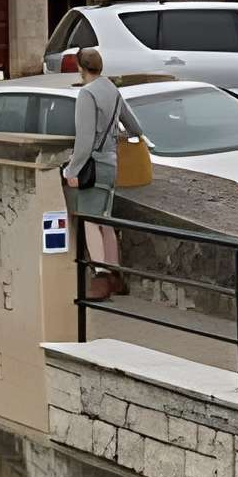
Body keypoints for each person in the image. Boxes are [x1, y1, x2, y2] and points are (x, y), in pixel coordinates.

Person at [67, 47, 133, 299]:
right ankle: (115, 275)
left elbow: (84, 140)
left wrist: (71, 170)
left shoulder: (87, 94)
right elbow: (134, 125)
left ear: (80, 67)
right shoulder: (112, 90)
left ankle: (101, 276)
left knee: (90, 220)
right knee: (105, 219)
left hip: (93, 165)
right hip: (111, 163)